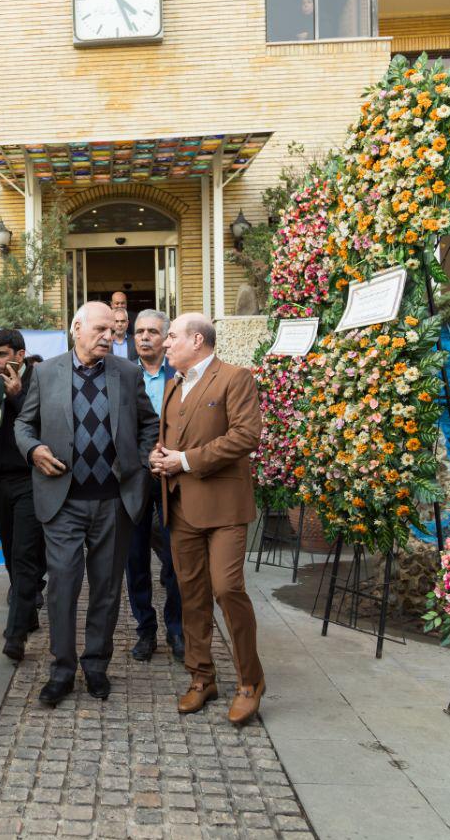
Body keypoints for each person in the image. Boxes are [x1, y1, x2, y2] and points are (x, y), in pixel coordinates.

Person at [14, 301, 158, 705]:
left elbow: (149, 424)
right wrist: (33, 450)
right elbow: (23, 423)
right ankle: (62, 670)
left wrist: (139, 466)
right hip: (62, 502)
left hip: (113, 502)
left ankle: (96, 665)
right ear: (76, 328)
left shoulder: (127, 373)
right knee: (62, 587)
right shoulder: (46, 372)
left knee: (107, 589)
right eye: (100, 330)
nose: (108, 337)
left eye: (112, 330)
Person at [152, 313, 265, 726]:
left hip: (224, 510)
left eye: (172, 337)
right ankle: (202, 678)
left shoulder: (235, 378)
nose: (165, 344)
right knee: (191, 594)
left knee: (227, 589)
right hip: (180, 507)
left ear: (197, 340)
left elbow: (246, 436)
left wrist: (184, 460)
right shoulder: (173, 384)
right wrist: (159, 457)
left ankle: (250, 682)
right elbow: (169, 439)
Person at [0, 329, 45, 662]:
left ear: (20, 354)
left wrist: (17, 397)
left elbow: (45, 425)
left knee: (24, 554)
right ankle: (27, 614)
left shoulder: (39, 383)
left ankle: (15, 635)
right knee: (10, 554)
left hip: (29, 481)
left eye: (1, 354)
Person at [125, 310, 185, 662]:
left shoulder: (181, 374)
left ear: (165, 338)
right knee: (134, 560)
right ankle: (145, 630)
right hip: (135, 478)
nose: (144, 337)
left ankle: (176, 630)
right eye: (139, 332)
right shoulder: (122, 374)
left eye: (152, 332)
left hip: (174, 478)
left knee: (176, 559)